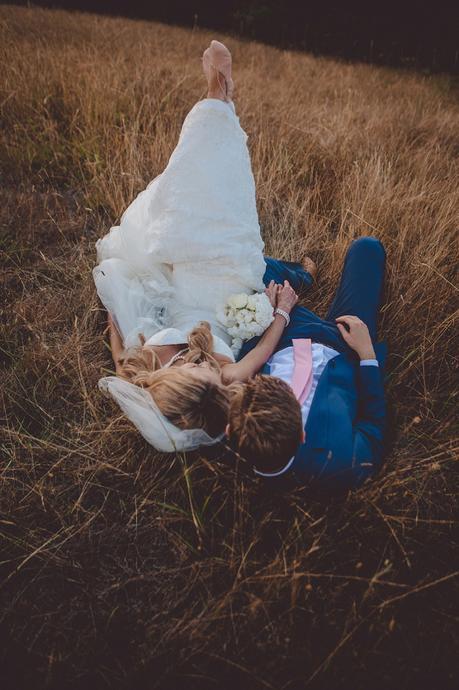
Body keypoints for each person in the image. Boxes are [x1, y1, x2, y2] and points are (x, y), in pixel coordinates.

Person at [94, 40, 309, 452]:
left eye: (196, 375)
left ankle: (215, 99)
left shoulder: (144, 367)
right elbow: (262, 351)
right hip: (228, 286)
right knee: (230, 213)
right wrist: (280, 310)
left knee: (186, 206)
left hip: (184, 282)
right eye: (210, 378)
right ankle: (220, 101)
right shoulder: (228, 380)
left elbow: (120, 353)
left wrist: (114, 309)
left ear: (170, 381)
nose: (201, 366)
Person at [227, 237, 388, 491]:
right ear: (302, 436)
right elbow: (374, 422)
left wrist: (269, 314)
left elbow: (246, 361)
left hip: (283, 333)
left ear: (228, 431)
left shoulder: (236, 431)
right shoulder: (344, 465)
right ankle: (298, 280)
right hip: (346, 346)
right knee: (367, 248)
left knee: (251, 269)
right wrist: (367, 354)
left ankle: (301, 276)